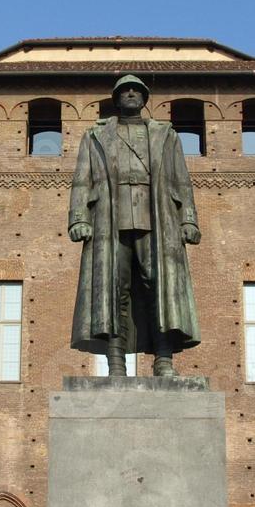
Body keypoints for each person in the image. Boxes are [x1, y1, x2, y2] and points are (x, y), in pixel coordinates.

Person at [68, 74, 202, 376]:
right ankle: (116, 362)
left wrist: (188, 219)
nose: (130, 94)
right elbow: (81, 180)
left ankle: (164, 359)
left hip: (157, 217)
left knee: (159, 286)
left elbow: (181, 179)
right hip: (108, 219)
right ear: (116, 99)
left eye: (136, 90)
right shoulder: (95, 135)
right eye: (124, 90)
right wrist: (78, 217)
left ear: (144, 99)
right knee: (113, 288)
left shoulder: (165, 134)